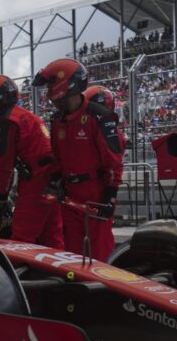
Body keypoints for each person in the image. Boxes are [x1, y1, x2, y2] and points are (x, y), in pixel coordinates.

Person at [32, 58, 123, 261]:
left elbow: (113, 161)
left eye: (49, 85)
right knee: (72, 257)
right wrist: (55, 180)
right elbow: (58, 159)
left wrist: (110, 195)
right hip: (69, 197)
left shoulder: (99, 117)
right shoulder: (57, 121)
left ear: (63, 85)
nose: (47, 93)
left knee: (99, 257)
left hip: (95, 195)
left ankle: (106, 292)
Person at [0, 74, 63, 248]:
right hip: (51, 179)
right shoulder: (22, 116)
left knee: (22, 236)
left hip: (36, 181)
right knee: (51, 234)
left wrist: (1, 198)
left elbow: (5, 166)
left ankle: (22, 274)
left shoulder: (8, 122)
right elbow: (5, 161)